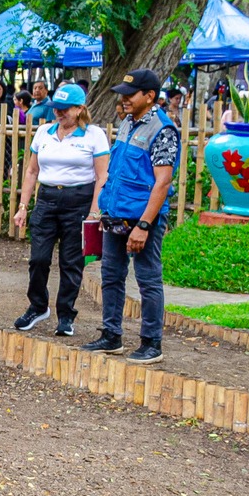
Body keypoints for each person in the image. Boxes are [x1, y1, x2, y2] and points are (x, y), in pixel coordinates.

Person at [82, 69, 179, 364]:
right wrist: (103, 209)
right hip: (116, 215)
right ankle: (111, 335)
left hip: (142, 219)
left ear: (149, 96)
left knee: (148, 279)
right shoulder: (127, 122)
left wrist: (145, 225)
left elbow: (162, 182)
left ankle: (151, 342)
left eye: (130, 94)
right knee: (111, 275)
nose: (123, 99)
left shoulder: (163, 130)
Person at [12, 84, 109, 336]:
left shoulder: (94, 135)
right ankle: (37, 306)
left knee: (71, 261)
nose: (59, 113)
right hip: (47, 198)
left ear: (80, 109)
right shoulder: (44, 132)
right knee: (38, 258)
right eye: (57, 108)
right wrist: (23, 206)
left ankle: (66, 314)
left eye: (65, 109)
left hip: (79, 200)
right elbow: (32, 171)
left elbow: (102, 176)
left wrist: (94, 212)